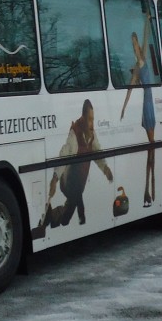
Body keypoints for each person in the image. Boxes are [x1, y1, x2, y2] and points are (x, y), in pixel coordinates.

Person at [40, 98, 113, 230]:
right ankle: (59, 216)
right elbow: (65, 154)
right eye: (90, 119)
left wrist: (105, 168)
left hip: (79, 184)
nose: (92, 124)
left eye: (93, 119)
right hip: (68, 181)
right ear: (83, 118)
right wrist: (55, 178)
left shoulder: (91, 134)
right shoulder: (75, 133)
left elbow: (97, 151)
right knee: (74, 200)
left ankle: (54, 216)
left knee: (68, 215)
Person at [120, 14, 157, 207]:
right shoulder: (136, 67)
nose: (136, 47)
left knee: (153, 147)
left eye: (136, 44)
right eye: (133, 45)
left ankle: (150, 189)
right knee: (151, 146)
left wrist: (147, 22)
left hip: (151, 102)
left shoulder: (143, 57)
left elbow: (146, 37)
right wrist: (124, 108)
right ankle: (148, 190)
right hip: (146, 104)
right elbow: (130, 89)